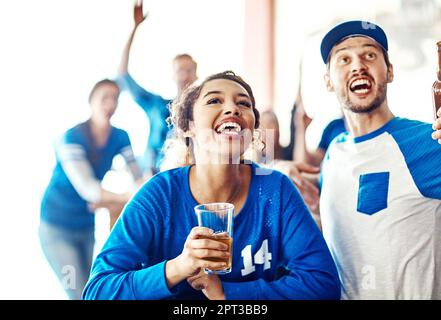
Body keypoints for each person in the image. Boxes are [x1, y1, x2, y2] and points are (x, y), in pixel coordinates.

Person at [82, 71, 340, 300]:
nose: (233, 109)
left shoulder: (275, 190)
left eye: (243, 104)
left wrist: (228, 293)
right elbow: (98, 291)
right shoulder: (158, 195)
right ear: (188, 127)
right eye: (214, 100)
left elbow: (323, 285)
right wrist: (178, 267)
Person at [318, 20, 441, 299]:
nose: (358, 66)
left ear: (390, 72)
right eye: (344, 59)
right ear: (327, 81)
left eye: (370, 55)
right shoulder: (333, 153)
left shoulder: (427, 141)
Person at [39, 79, 143, 300]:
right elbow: (90, 191)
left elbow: (138, 177)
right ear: (91, 101)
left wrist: (131, 192)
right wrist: (126, 197)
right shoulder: (71, 138)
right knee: (76, 292)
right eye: (104, 97)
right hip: (57, 228)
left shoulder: (120, 137)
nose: (110, 103)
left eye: (115, 98)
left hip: (86, 226)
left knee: (90, 291)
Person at [117, 0, 198, 175]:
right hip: (153, 177)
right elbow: (123, 75)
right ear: (173, 75)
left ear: (196, 75)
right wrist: (135, 28)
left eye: (189, 70)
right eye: (180, 70)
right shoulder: (157, 106)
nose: (184, 75)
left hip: (188, 179)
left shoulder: (204, 112)